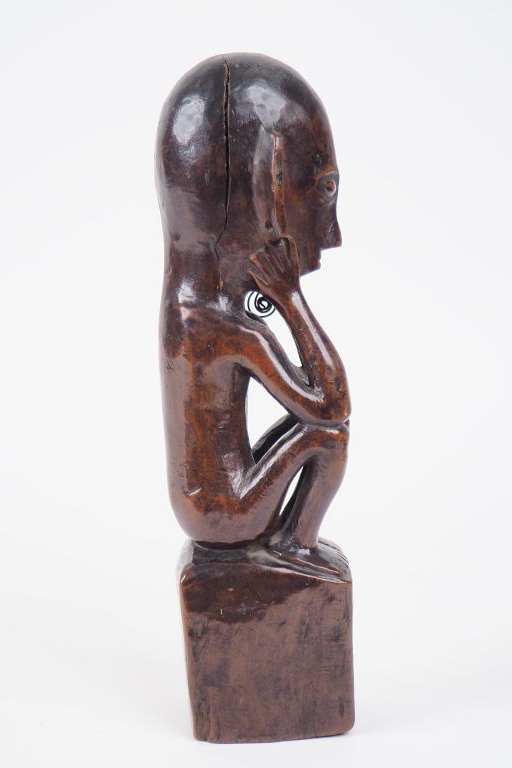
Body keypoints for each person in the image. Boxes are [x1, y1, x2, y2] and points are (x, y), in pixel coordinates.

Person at [157, 54, 350, 573]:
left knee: (310, 430)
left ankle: (291, 547)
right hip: (226, 514)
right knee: (330, 440)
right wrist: (290, 299)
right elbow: (332, 406)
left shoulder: (189, 309)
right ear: (263, 193)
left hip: (211, 505)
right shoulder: (224, 330)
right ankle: (295, 546)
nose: (333, 235)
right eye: (323, 191)